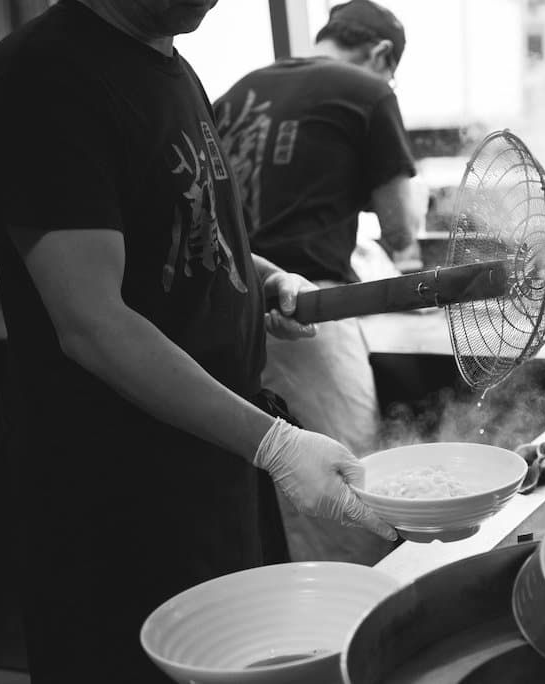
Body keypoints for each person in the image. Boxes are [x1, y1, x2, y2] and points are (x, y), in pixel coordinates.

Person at [0, 1, 396, 681]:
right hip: (118, 499)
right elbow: (93, 324)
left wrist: (264, 277)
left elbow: (183, 225)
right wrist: (274, 442)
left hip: (211, 472)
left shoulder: (168, 63)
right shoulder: (43, 76)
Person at [214, 0, 423, 565]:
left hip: (221, 316)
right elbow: (402, 228)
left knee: (280, 509)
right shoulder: (367, 88)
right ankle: (352, 643)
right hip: (303, 309)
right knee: (351, 498)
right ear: (381, 54)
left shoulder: (238, 92)